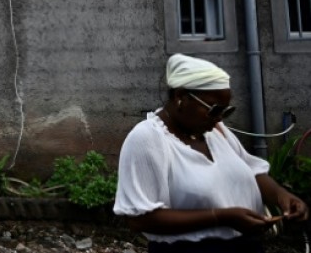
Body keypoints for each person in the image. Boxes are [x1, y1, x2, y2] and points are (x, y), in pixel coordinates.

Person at [114, 53, 308, 252]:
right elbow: (140, 219)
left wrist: (282, 196)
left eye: (225, 111)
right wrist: (220, 217)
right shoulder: (147, 139)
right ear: (181, 97)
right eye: (214, 110)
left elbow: (252, 170)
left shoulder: (216, 132)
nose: (218, 119)